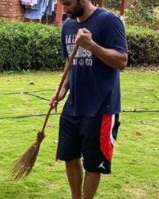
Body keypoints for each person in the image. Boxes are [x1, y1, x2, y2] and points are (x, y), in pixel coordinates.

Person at [49, 0, 128, 198]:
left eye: (67, 4)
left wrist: (91, 45)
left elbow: (121, 61)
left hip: (101, 106)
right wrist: (63, 90)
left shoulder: (109, 21)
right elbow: (70, 61)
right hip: (73, 105)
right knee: (69, 155)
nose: (64, 10)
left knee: (93, 163)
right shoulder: (68, 25)